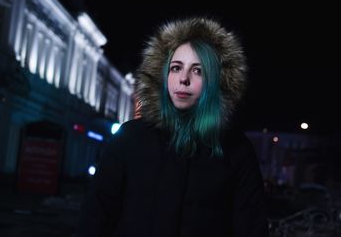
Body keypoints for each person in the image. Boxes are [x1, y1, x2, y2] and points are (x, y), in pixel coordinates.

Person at [76, 17, 269, 237]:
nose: (183, 79)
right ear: (164, 73)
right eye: (176, 68)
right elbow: (94, 220)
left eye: (198, 71)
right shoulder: (129, 139)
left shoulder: (237, 150)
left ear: (216, 80)